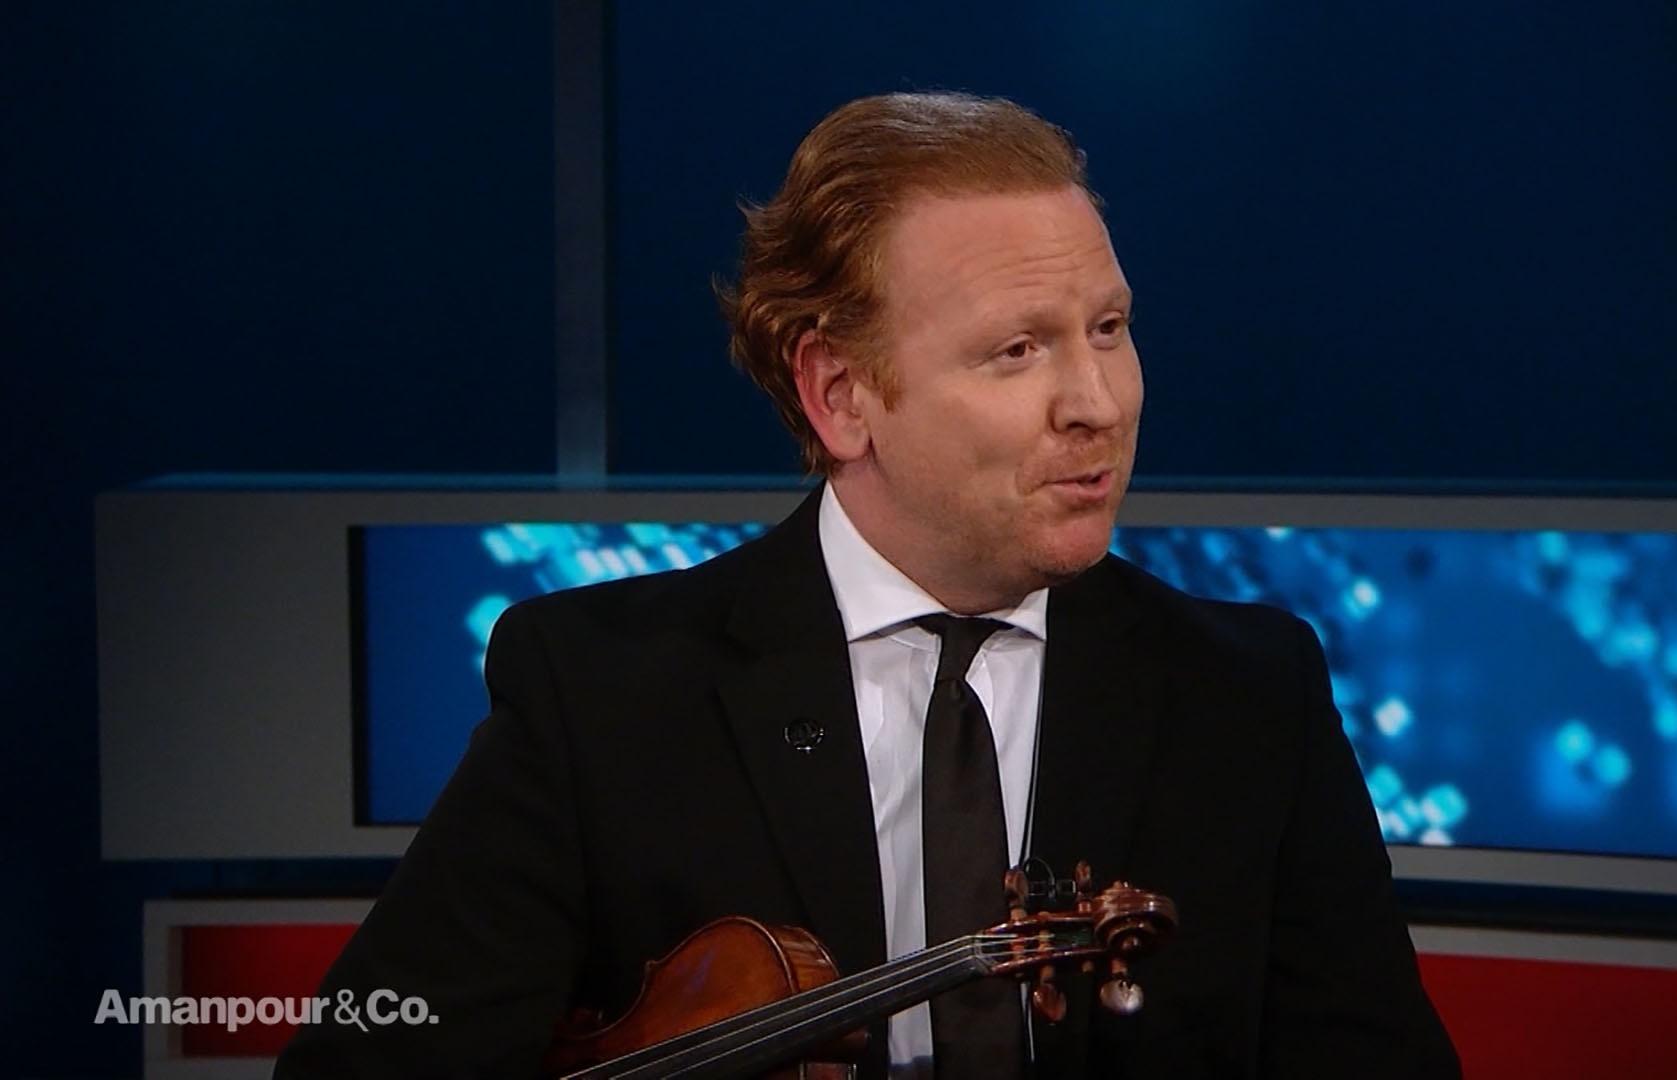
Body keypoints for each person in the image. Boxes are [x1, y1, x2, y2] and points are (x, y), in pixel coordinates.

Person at [278, 91, 1458, 1078]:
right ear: (840, 395)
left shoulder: (1248, 697)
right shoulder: (599, 694)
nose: (1098, 402)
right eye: (1018, 349)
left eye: (1108, 328)